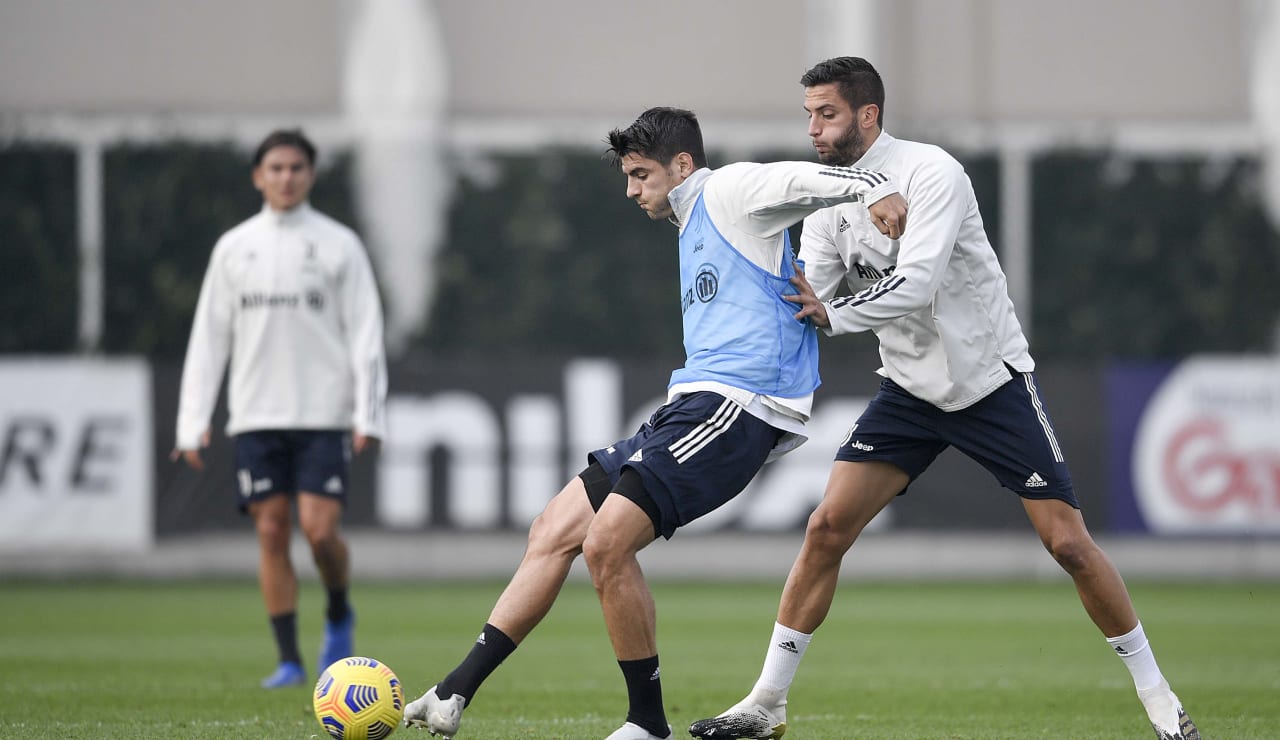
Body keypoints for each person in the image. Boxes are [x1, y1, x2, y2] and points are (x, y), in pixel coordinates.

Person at [687, 57, 1199, 740]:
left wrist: (832, 314)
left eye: (827, 113)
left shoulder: (933, 173)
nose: (812, 127)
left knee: (1069, 547)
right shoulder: (830, 196)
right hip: (907, 390)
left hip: (990, 382)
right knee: (824, 529)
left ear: (868, 115)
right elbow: (814, 286)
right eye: (808, 113)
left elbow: (917, 282)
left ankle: (1161, 702)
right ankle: (766, 704)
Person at [402, 107, 907, 740]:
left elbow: (799, 180)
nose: (631, 190)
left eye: (641, 175)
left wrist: (876, 188)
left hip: (738, 406)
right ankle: (453, 692)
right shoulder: (692, 217)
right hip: (689, 404)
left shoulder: (726, 191)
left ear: (682, 165)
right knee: (553, 529)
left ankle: (646, 725)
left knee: (606, 544)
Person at [174, 129, 388, 689]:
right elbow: (209, 338)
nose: (286, 177)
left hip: (321, 415)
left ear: (310, 175)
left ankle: (339, 609)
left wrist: (369, 414)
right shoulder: (234, 248)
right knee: (271, 532)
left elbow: (366, 333)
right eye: (276, 168)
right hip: (255, 415)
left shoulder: (339, 244)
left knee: (319, 533)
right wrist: (192, 420)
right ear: (258, 176)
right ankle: (290, 659)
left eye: (296, 168)